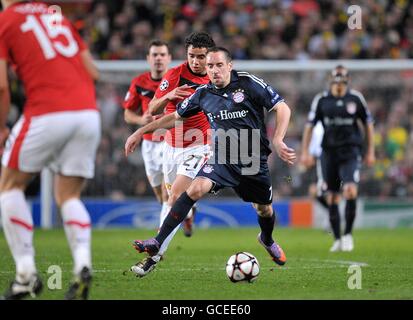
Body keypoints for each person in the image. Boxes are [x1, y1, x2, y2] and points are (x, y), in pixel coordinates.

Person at [125, 47, 296, 274]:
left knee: (264, 209)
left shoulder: (248, 83)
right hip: (221, 158)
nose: (214, 70)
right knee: (195, 189)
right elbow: (173, 117)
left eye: (219, 65)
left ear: (229, 65)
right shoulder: (203, 93)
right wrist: (140, 132)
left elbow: (282, 107)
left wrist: (278, 139)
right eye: (210, 67)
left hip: (252, 161)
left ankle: (266, 238)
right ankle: (157, 241)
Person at [0, 0, 100, 299]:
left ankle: (26, 274)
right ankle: (82, 264)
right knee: (68, 195)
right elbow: (92, 70)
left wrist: (2, 126)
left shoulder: (6, 20)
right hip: (87, 114)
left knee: (9, 186)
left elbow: (2, 87)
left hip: (47, 112)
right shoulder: (56, 16)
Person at [129, 32, 215, 277]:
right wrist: (167, 96)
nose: (196, 62)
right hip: (170, 146)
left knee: (175, 195)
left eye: (201, 57)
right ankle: (187, 213)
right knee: (170, 198)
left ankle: (152, 257)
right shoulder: (175, 74)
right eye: (192, 56)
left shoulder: (214, 76)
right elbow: (153, 108)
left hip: (198, 145)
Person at [301, 65, 375, 252]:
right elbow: (309, 126)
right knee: (332, 196)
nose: (340, 82)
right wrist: (305, 152)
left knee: (350, 190)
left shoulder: (356, 99)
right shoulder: (322, 100)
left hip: (350, 152)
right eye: (337, 79)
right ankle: (337, 239)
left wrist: (370, 151)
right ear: (331, 80)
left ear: (348, 80)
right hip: (329, 153)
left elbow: (368, 124)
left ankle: (348, 234)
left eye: (343, 79)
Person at [122, 39, 171, 228]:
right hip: (149, 144)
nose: (158, 58)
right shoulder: (139, 82)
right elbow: (127, 114)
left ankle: (159, 241)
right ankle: (188, 212)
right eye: (155, 55)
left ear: (169, 58)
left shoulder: (175, 80)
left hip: (170, 141)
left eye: (162, 55)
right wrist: (140, 121)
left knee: (168, 193)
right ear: (148, 58)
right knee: (160, 195)